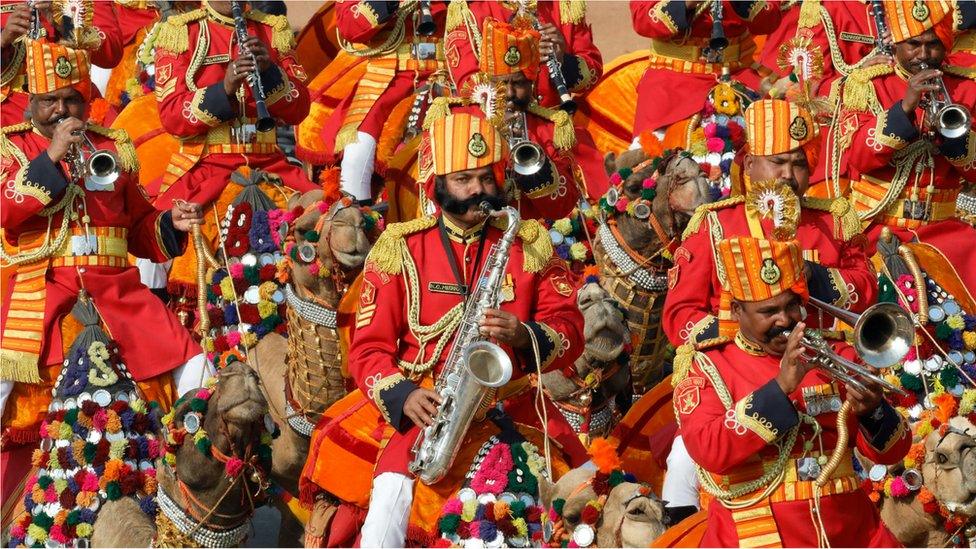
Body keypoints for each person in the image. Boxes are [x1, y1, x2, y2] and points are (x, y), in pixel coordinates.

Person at [300, 109, 586, 547]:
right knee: (385, 515)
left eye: (486, 178)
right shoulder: (401, 247)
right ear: (439, 185)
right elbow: (367, 350)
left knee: (584, 502)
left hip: (510, 407)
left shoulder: (527, 245)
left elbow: (569, 326)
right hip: (424, 412)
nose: (479, 190)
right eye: (464, 180)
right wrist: (406, 396)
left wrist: (524, 334)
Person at [0, 39, 212, 502]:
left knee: (198, 367)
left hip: (118, 291)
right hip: (44, 287)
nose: (62, 109)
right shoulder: (10, 146)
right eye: (50, 100)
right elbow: (8, 211)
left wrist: (167, 223)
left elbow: (137, 225)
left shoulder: (112, 145)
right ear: (31, 102)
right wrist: (52, 154)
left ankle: (186, 488)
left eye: (70, 98)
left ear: (84, 97)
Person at [674, 235, 910, 546]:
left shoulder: (836, 351)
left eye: (792, 305)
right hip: (755, 531)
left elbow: (894, 452)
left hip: (850, 528)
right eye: (768, 311)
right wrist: (780, 387)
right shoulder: (708, 366)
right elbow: (708, 450)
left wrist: (872, 412)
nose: (784, 320)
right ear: (739, 310)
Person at [663, 99, 878, 347]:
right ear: (751, 164)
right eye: (777, 162)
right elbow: (680, 316)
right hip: (740, 370)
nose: (788, 174)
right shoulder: (713, 225)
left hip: (820, 363)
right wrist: (747, 338)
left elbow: (868, 290)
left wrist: (814, 276)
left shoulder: (835, 221)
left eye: (799, 164)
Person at [146, 0, 317, 295]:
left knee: (324, 222)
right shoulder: (180, 31)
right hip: (206, 165)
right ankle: (157, 312)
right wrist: (223, 89)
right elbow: (172, 116)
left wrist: (271, 73)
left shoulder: (272, 29)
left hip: (269, 163)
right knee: (153, 247)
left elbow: (300, 108)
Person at [837, 0, 976, 291]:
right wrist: (904, 108)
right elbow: (857, 157)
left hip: (943, 233)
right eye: (913, 44)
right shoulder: (866, 85)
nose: (923, 55)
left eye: (933, 45)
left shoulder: (966, 89)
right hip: (876, 229)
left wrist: (953, 140)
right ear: (896, 42)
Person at [444, 16, 606, 218]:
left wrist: (534, 166)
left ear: (532, 84)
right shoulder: (455, 121)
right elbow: (437, 191)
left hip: (526, 239)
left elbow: (561, 206)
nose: (510, 93)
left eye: (519, 84)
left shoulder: (550, 128)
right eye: (501, 84)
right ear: (486, 81)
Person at [312, 0, 449, 202]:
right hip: (388, 74)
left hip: (452, 70)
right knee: (357, 148)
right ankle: (357, 215)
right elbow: (349, 25)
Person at [629, 0, 781, 139]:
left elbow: (771, 19)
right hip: (672, 83)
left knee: (778, 134)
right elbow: (643, 19)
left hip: (736, 75)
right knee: (653, 155)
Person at [1, 0, 124, 121]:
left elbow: (111, 53)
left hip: (74, 101)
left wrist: (65, 24)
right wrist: (3, 40)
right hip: (10, 106)